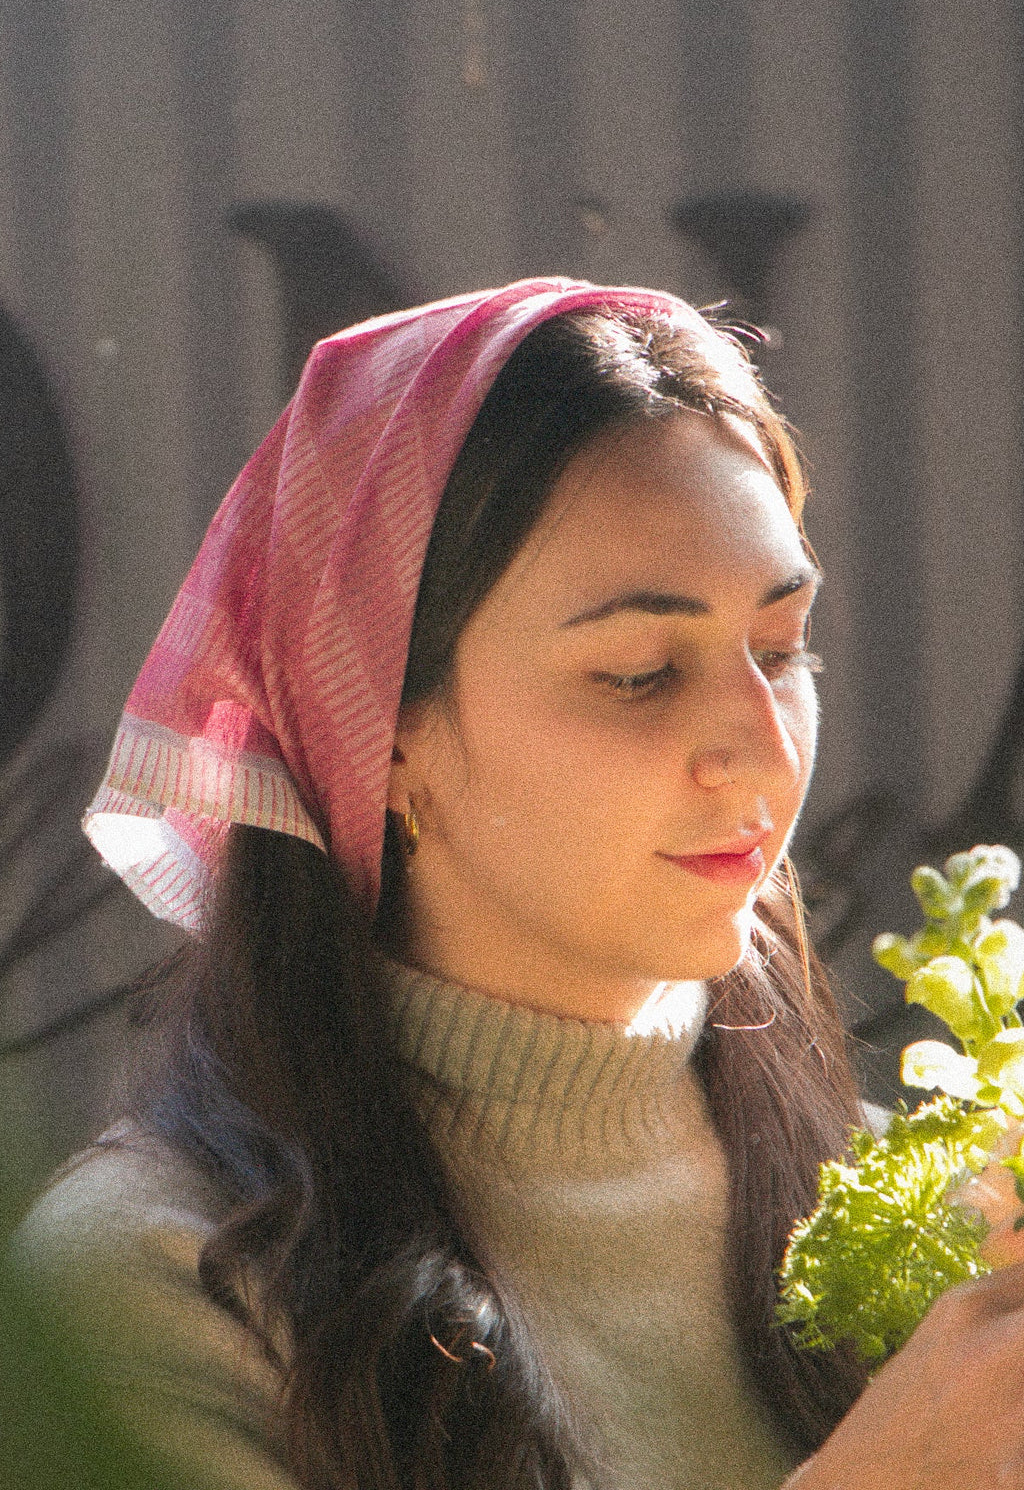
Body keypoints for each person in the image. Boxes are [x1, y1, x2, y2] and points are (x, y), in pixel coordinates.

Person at [16, 277, 1024, 1490]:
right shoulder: (152, 1291)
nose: (760, 747)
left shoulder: (924, 1209)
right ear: (377, 732)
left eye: (778, 647)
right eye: (642, 672)